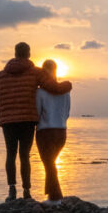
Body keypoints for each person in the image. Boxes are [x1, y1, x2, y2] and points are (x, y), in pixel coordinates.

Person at [0, 42, 72, 201]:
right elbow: (53, 87)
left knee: (10, 154)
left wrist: (7, 107)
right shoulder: (35, 73)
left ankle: (11, 191)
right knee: (24, 156)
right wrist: (68, 85)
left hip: (8, 121)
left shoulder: (0, 75)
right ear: (28, 54)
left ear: (15, 53)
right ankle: (27, 191)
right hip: (27, 120)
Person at [35, 59, 70, 202]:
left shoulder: (40, 92)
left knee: (49, 164)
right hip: (61, 131)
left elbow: (37, 113)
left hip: (45, 132)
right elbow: (67, 113)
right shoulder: (66, 92)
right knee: (50, 163)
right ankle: (51, 195)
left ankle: (56, 198)